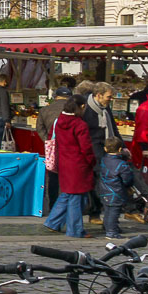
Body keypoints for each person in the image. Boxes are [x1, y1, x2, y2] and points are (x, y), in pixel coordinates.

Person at [44, 94, 94, 238]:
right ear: (82, 107)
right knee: (76, 199)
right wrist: (92, 161)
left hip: (64, 162)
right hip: (78, 164)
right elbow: (86, 147)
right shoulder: (80, 124)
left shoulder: (59, 121)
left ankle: (53, 222)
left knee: (68, 194)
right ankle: (75, 230)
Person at [97, 139, 138, 238]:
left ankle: (109, 227)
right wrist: (128, 186)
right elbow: (127, 179)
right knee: (114, 213)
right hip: (116, 192)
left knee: (107, 211)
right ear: (120, 149)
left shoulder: (103, 160)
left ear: (105, 149)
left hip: (103, 190)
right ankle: (111, 232)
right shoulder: (122, 164)